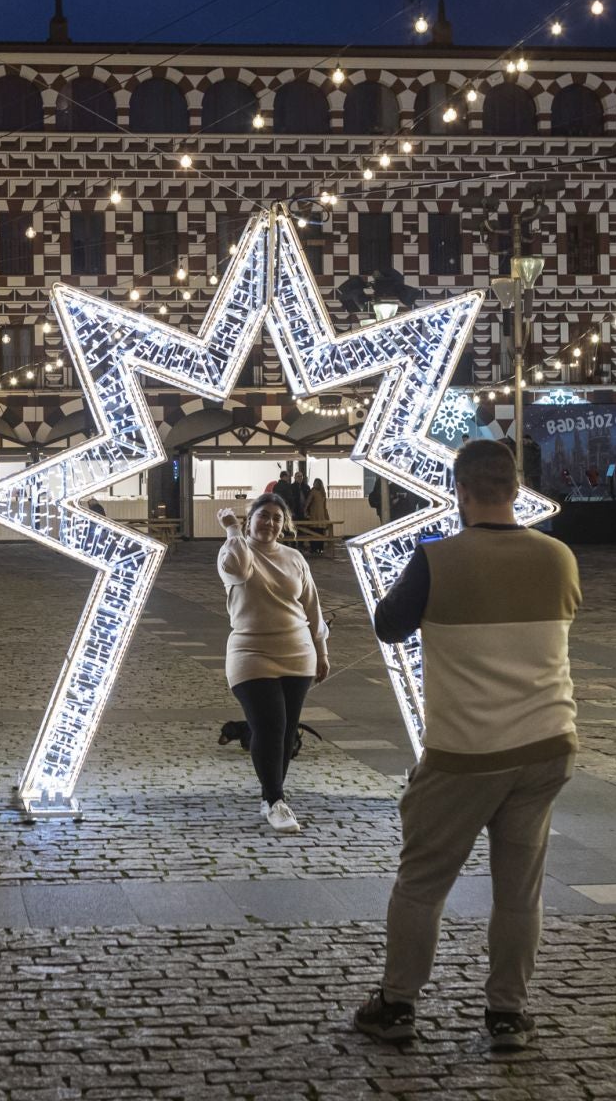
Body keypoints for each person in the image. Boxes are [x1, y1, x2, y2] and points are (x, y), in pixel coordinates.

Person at [352, 439, 581, 1053]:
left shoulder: (436, 560)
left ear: (460, 491)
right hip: (547, 743)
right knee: (518, 889)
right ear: (515, 489)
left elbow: (388, 624)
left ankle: (397, 1003)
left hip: (466, 751)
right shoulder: (559, 557)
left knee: (422, 882)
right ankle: (508, 1013)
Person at [216, 493, 329, 834]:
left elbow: (311, 607)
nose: (270, 523)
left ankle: (271, 798)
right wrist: (233, 531)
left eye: (277, 518)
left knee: (285, 729)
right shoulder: (233, 551)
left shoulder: (294, 558)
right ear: (250, 519)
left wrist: (321, 650)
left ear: (285, 524)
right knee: (270, 726)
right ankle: (276, 800)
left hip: (297, 653)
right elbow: (237, 569)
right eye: (263, 516)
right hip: (250, 653)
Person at [304, 478, 331, 555]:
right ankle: (320, 548)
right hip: (321, 515)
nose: (313, 484)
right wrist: (326, 515)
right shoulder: (323, 492)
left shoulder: (313, 491)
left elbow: (308, 502)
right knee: (321, 532)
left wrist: (305, 510)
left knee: (313, 531)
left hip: (314, 515)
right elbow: (324, 506)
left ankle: (314, 549)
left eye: (314, 482)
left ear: (317, 484)